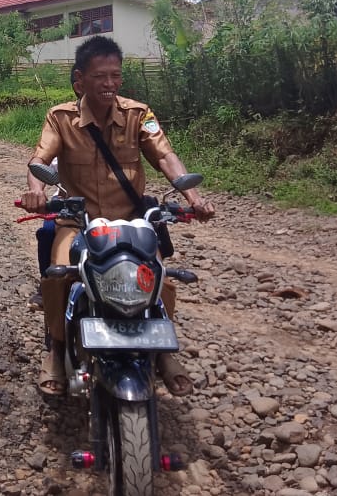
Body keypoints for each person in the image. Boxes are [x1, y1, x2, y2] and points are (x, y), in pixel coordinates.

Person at [20, 37, 215, 397]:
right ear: (80, 80)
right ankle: (57, 351)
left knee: (159, 280)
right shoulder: (60, 118)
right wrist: (37, 190)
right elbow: (39, 160)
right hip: (78, 221)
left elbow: (165, 156)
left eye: (115, 75)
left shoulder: (139, 115)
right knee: (59, 276)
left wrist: (193, 196)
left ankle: (161, 352)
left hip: (130, 222)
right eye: (100, 76)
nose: (110, 83)